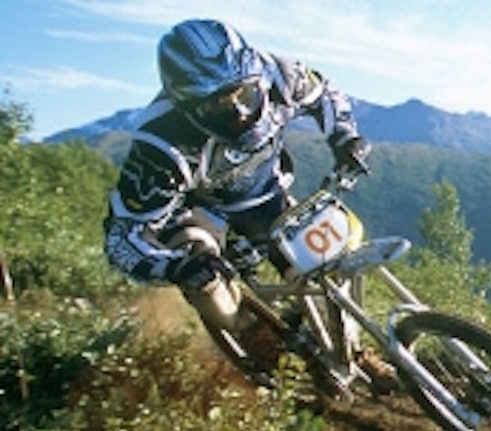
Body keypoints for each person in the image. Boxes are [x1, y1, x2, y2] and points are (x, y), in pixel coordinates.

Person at [102, 19, 389, 383]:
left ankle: (351, 350)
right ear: (187, 106)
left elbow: (324, 93)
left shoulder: (276, 73)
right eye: (219, 107)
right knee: (202, 274)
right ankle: (252, 336)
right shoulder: (160, 147)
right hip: (198, 213)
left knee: (326, 269)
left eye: (245, 94)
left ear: (255, 75)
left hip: (262, 197)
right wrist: (174, 267)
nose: (239, 111)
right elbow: (122, 237)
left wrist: (345, 137)